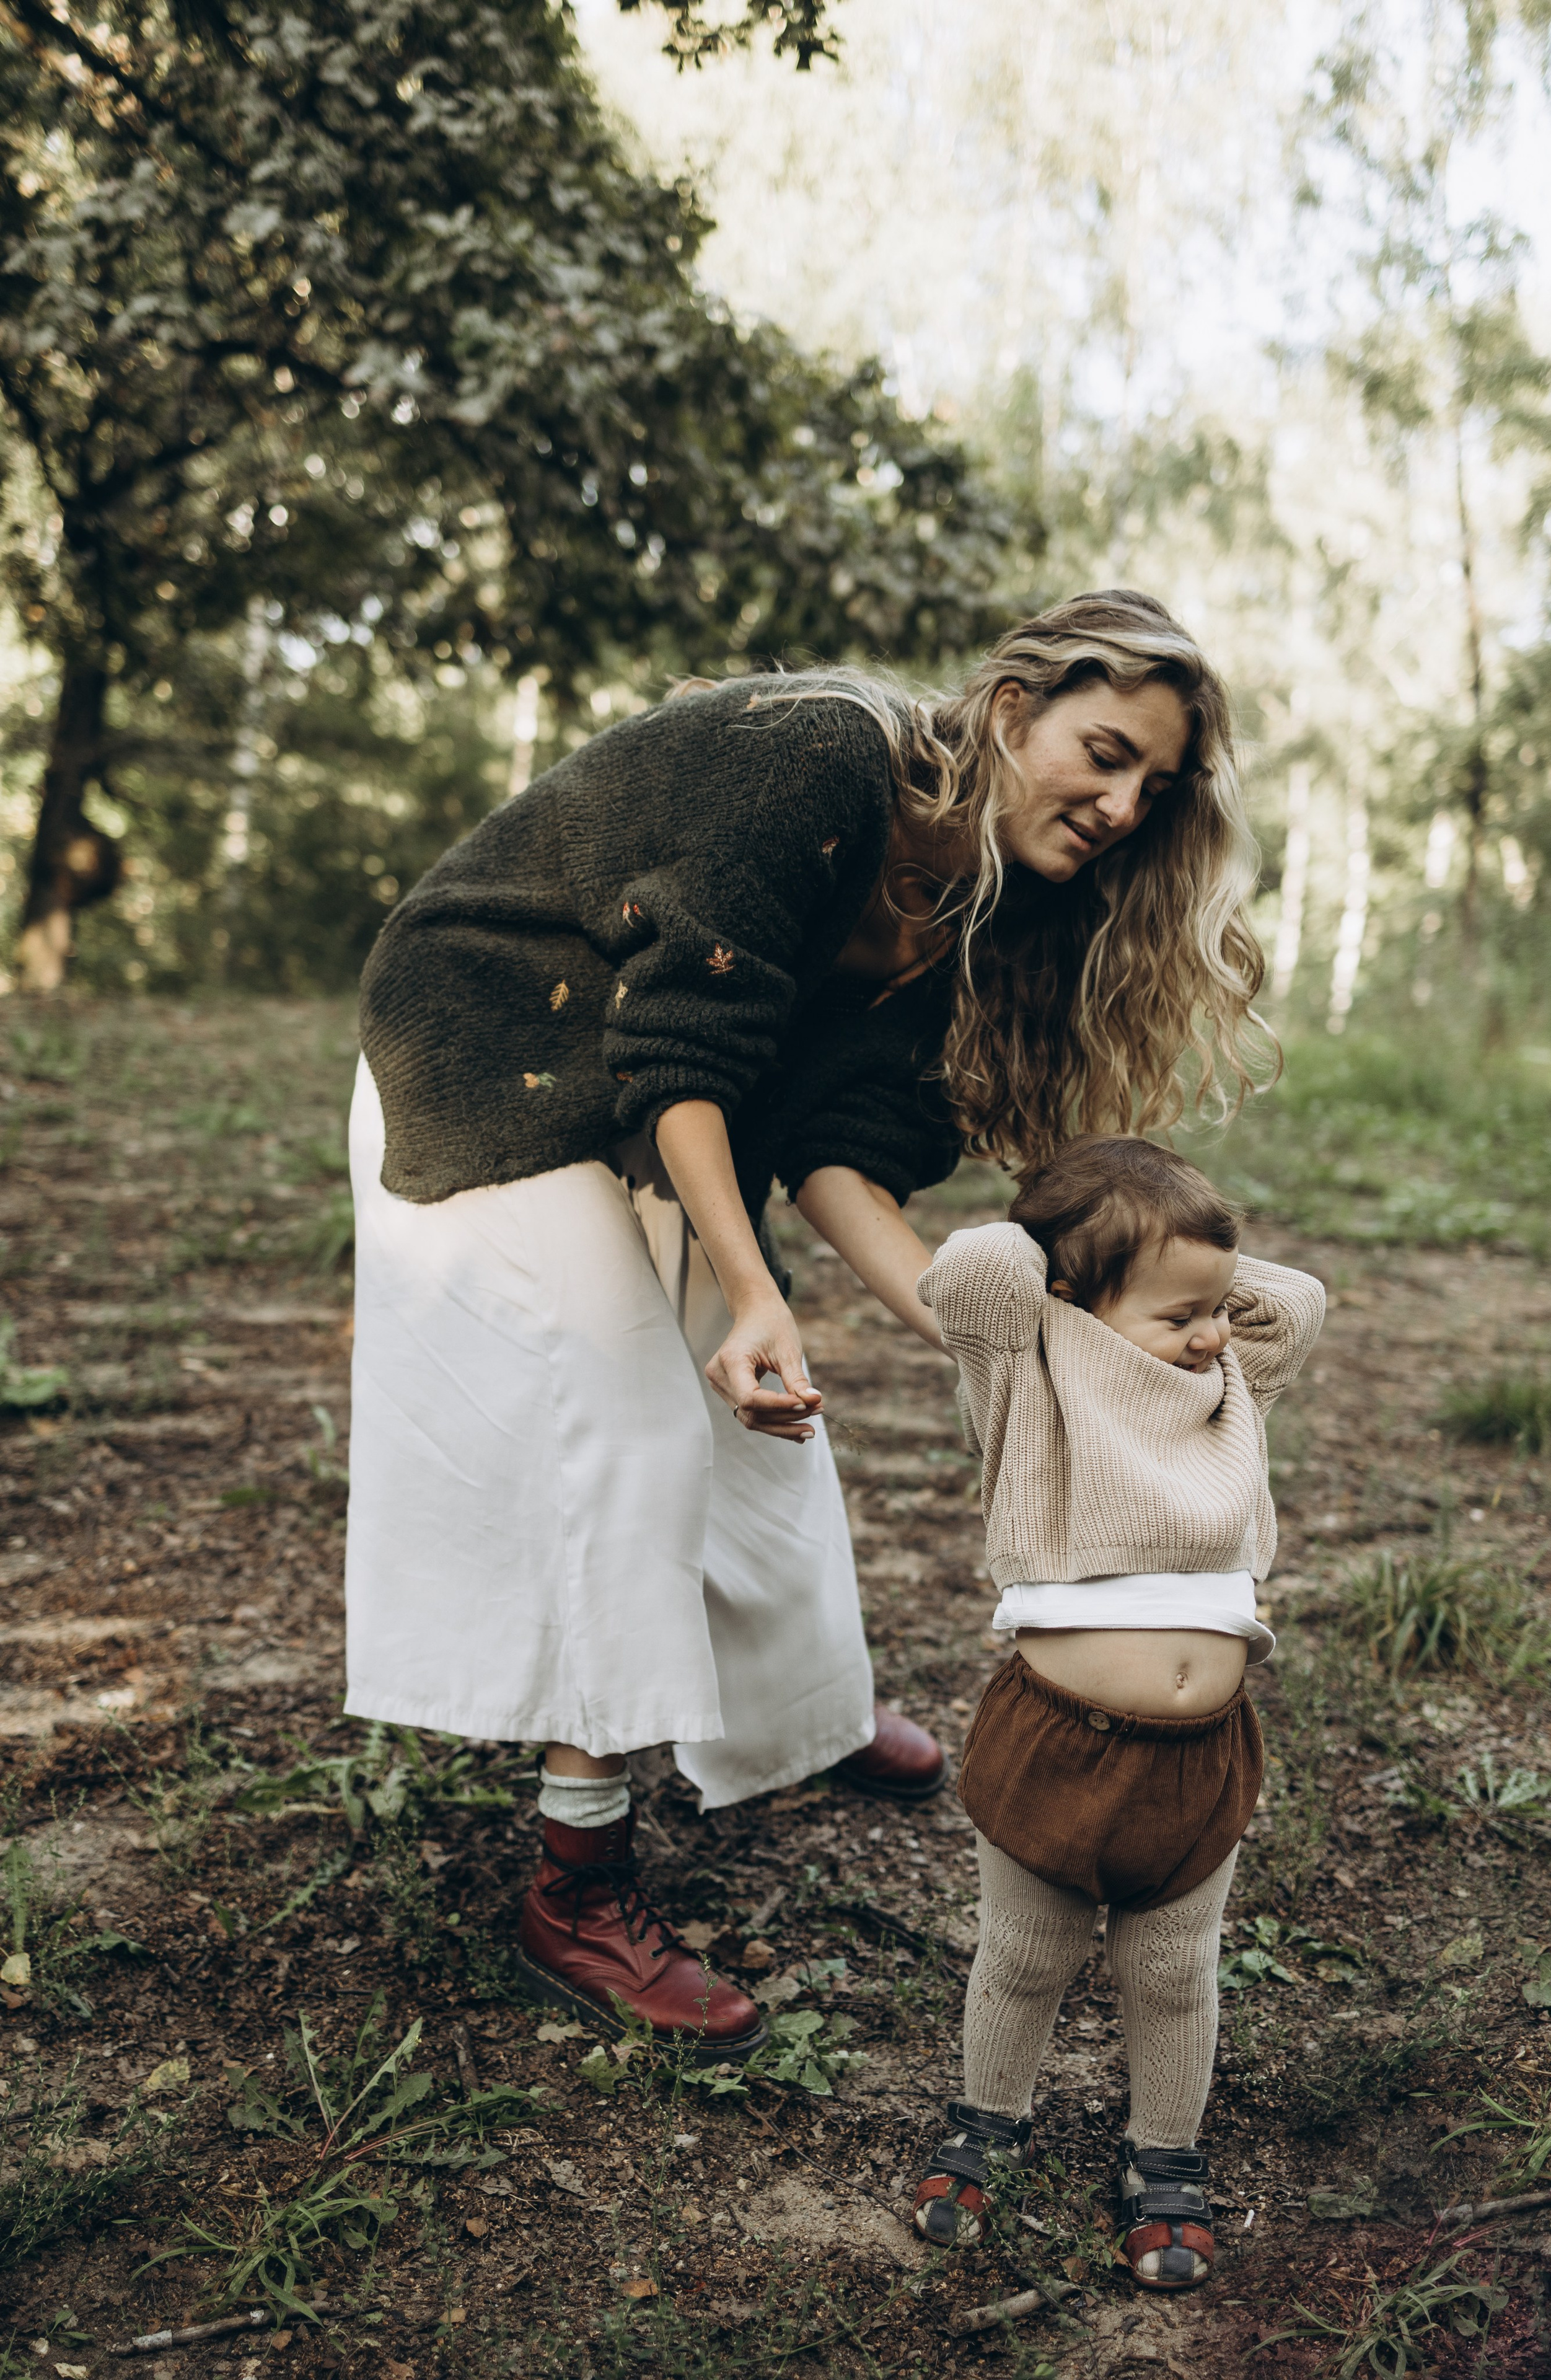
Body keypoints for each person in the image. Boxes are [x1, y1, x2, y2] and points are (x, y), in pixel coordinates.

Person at [344, 590, 1270, 2058]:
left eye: (1149, 792)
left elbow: (840, 1139)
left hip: (661, 1098)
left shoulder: (988, 904)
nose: (1117, 804)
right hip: (499, 1051)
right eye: (1102, 753)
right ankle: (573, 1882)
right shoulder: (825, 759)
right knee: (630, 1435)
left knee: (759, 1438)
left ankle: (806, 1720)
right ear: (1011, 704)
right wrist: (750, 1280)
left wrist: (988, 1331)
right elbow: (682, 1040)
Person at [908, 1138, 1325, 2288]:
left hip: (1199, 1753)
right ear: (1072, 1303)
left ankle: (1166, 2159)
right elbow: (982, 1267)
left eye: (1214, 1310)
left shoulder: (1225, 1388)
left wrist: (1180, 1269)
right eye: (1181, 1313)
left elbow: (1296, 1302)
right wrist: (1085, 1232)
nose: (1211, 1332)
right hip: (1057, 1736)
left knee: (1176, 1969)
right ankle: (987, 2124)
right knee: (1027, 1955)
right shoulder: (1032, 1380)